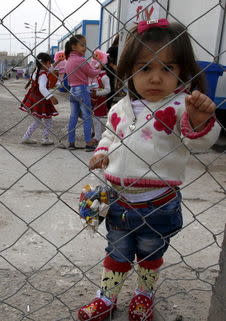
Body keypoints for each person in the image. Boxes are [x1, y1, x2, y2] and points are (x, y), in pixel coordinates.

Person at [78, 19, 221, 321]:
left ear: (182, 70)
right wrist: (102, 152)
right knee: (116, 252)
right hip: (118, 200)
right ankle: (107, 296)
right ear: (128, 70)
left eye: (167, 68)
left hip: (159, 203)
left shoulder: (183, 105)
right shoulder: (121, 107)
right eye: (145, 68)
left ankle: (144, 294)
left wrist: (198, 121)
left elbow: (202, 143)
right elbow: (109, 135)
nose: (155, 78)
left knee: (150, 254)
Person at [64, 35, 100, 151]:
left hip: (72, 90)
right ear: (74, 46)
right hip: (82, 90)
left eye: (85, 45)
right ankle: (88, 142)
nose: (85, 47)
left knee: (73, 117)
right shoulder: (81, 60)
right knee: (87, 117)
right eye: (82, 45)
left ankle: (71, 142)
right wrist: (100, 68)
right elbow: (92, 73)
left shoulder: (68, 60)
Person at [19, 52, 59, 145]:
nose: (50, 65)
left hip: (34, 98)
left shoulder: (37, 70)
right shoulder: (43, 75)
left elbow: (50, 69)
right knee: (48, 120)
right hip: (42, 100)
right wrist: (51, 97)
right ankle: (45, 139)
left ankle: (26, 137)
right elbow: (42, 88)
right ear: (44, 64)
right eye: (49, 63)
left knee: (37, 121)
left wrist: (57, 62)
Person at [90, 64, 111, 143]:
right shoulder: (93, 75)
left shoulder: (104, 77)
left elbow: (108, 90)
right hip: (92, 99)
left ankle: (97, 137)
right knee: (91, 117)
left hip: (100, 100)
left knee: (96, 119)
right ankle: (93, 132)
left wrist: (97, 93)